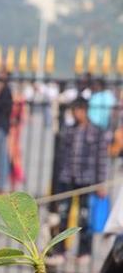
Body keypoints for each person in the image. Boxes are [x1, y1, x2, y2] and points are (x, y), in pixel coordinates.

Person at [50, 97, 110, 264]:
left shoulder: (96, 132)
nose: (76, 114)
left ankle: (84, 252)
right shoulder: (69, 130)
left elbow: (101, 159)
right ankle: (60, 250)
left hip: (87, 180)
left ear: (85, 110)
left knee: (84, 218)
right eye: (74, 110)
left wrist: (101, 183)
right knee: (63, 215)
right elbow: (61, 157)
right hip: (68, 177)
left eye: (78, 110)